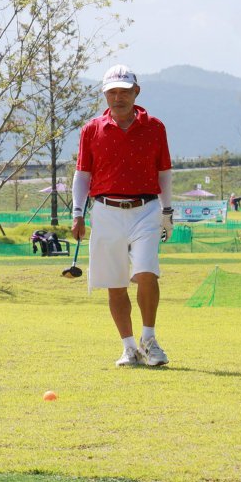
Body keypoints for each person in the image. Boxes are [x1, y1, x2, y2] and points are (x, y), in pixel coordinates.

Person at [70, 64, 174, 368]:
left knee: (146, 272)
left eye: (124, 92)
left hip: (146, 209)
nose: (119, 98)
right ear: (105, 95)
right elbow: (82, 174)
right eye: (112, 92)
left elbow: (164, 172)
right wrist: (77, 213)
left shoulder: (155, 127)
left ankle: (149, 340)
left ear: (136, 92)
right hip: (105, 211)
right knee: (115, 282)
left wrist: (167, 210)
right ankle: (129, 348)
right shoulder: (91, 129)